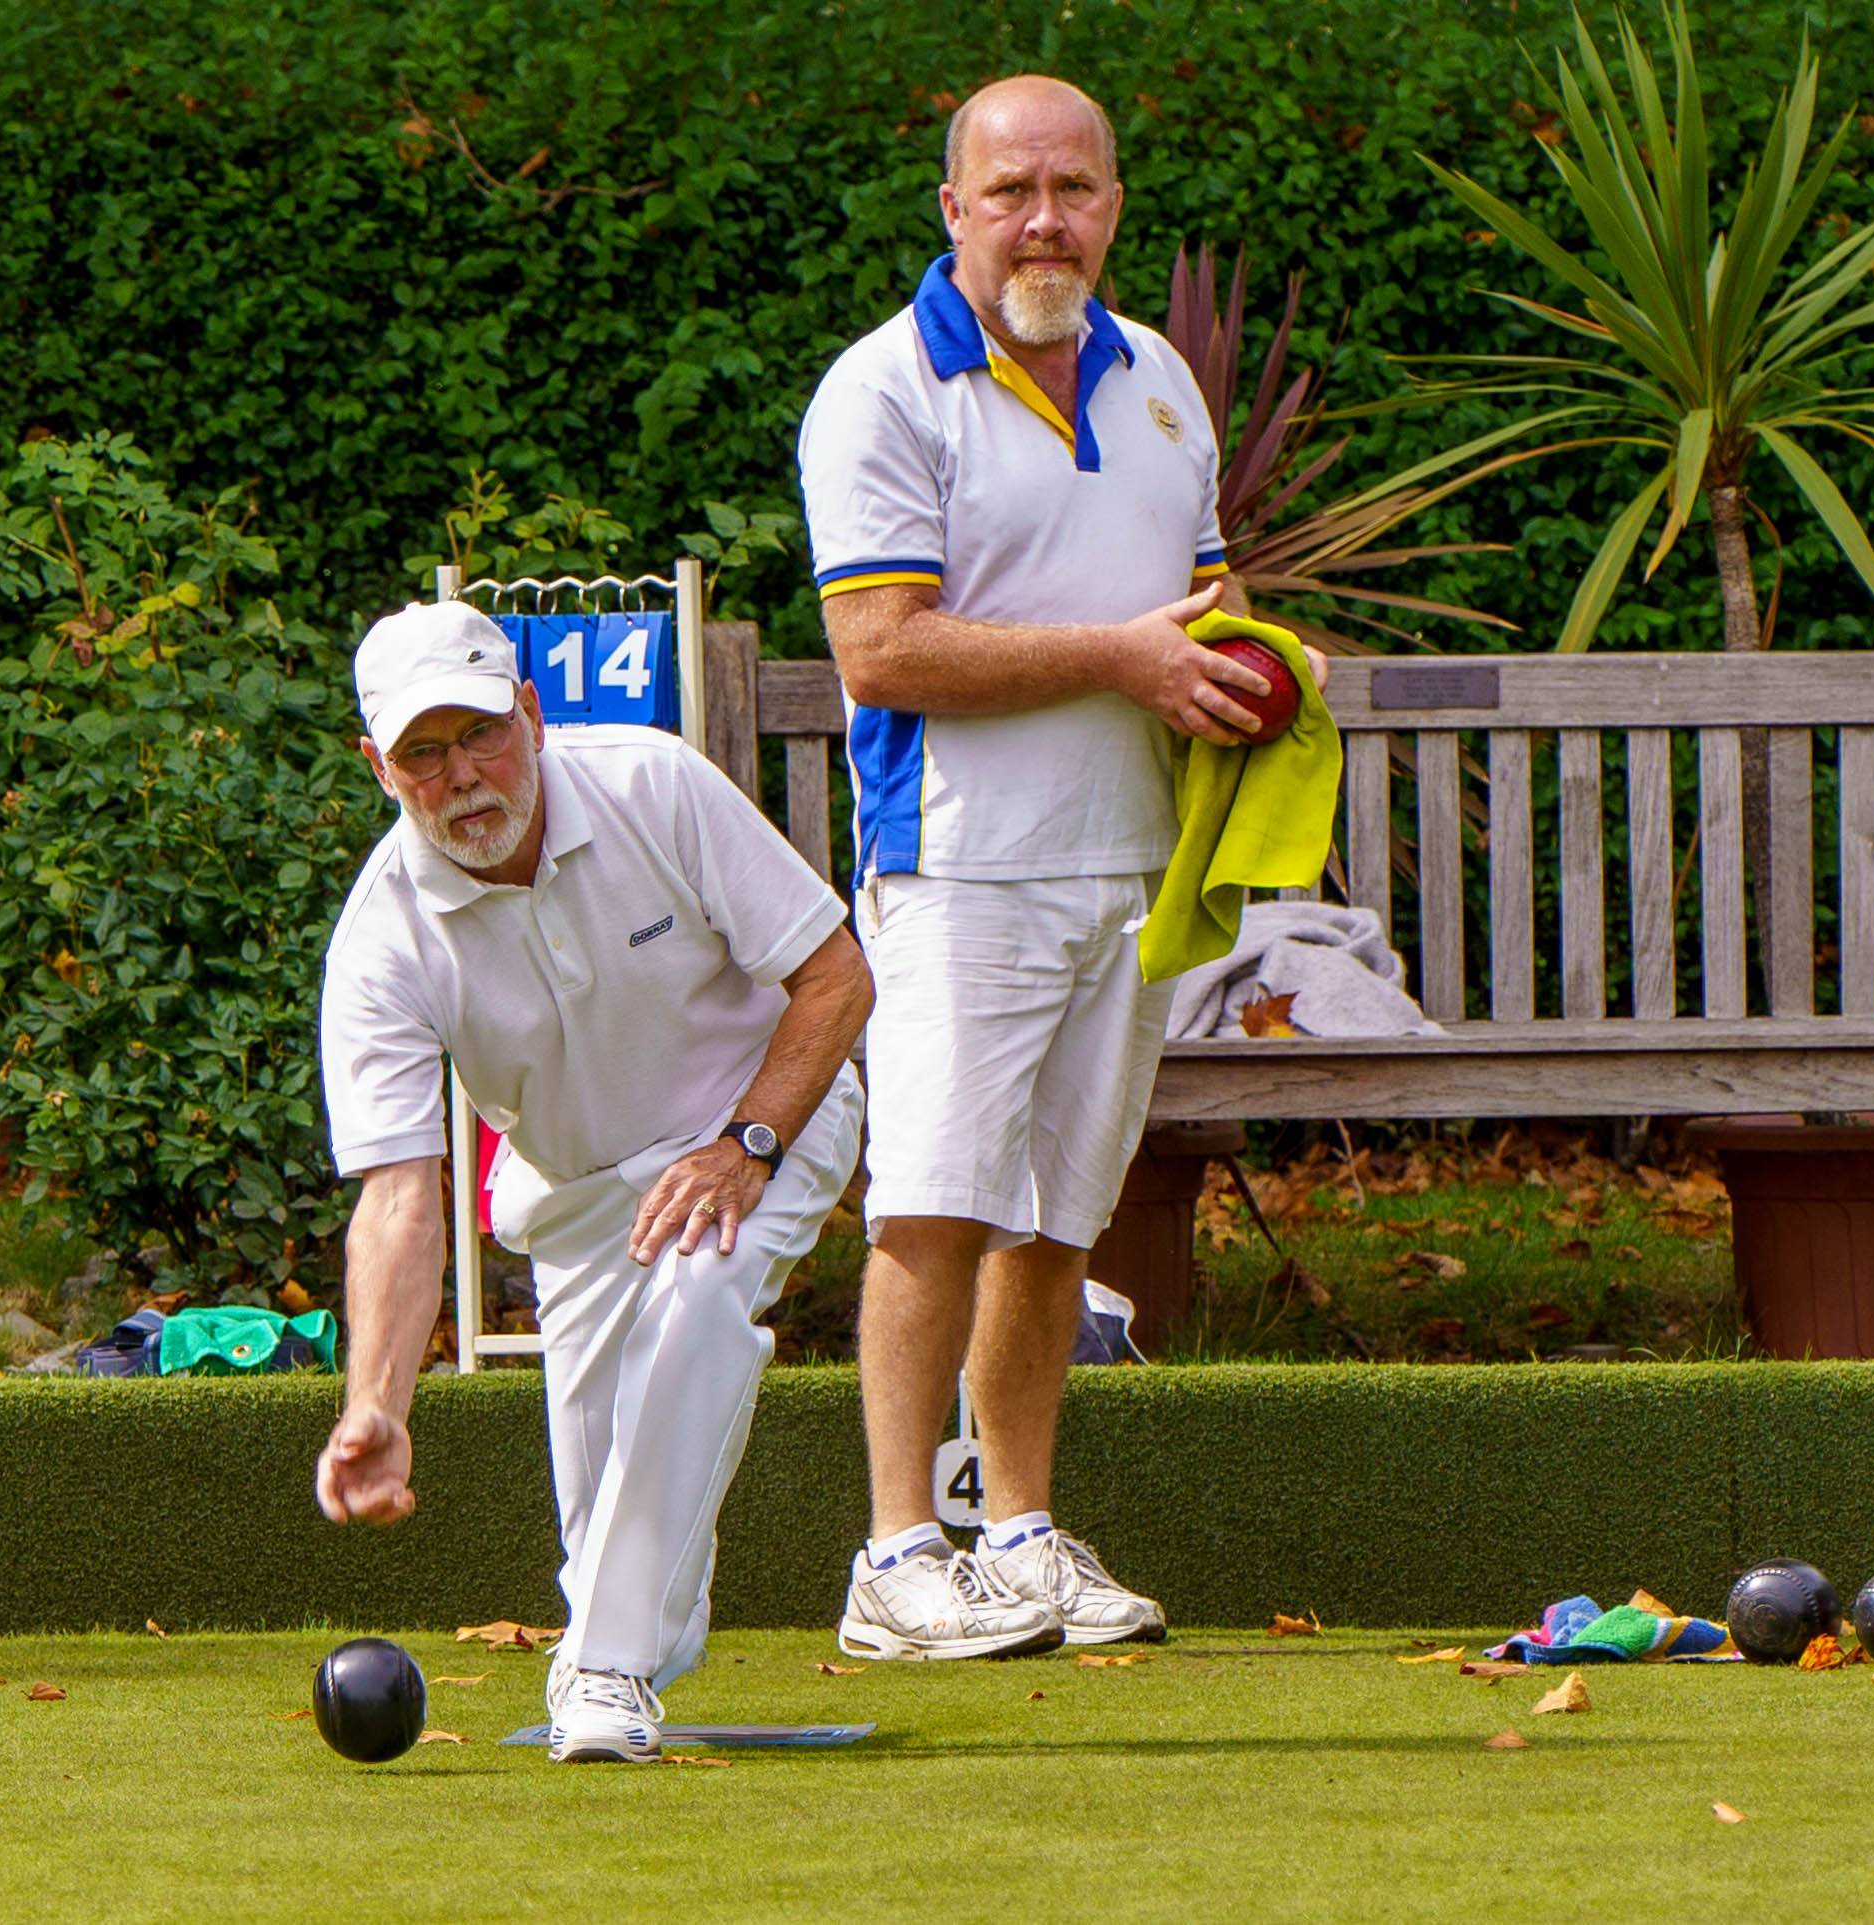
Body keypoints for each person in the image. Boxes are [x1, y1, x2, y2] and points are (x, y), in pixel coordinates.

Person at [796, 74, 1325, 1659]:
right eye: (1012, 190)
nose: (1045, 221)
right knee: (934, 1207)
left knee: (1056, 1224)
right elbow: (881, 650)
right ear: (953, 207)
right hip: (959, 867)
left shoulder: (1157, 379)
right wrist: (1121, 658)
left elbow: (1203, 601)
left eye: (1074, 190)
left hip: (1130, 867)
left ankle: (1018, 1535)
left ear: (1113, 206)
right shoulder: (881, 390)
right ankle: (896, 1557)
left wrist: (1256, 672)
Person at [313, 600, 874, 1761]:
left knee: (700, 1295)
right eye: (424, 752)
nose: (463, 776)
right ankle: (630, 1650)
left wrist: (745, 1143)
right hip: (577, 1196)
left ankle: (605, 1661)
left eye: (481, 732)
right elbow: (399, 1198)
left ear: (529, 712)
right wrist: (377, 1402)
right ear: (378, 767)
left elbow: (833, 977)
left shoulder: (651, 782)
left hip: (760, 1118)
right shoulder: (381, 940)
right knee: (598, 1524)